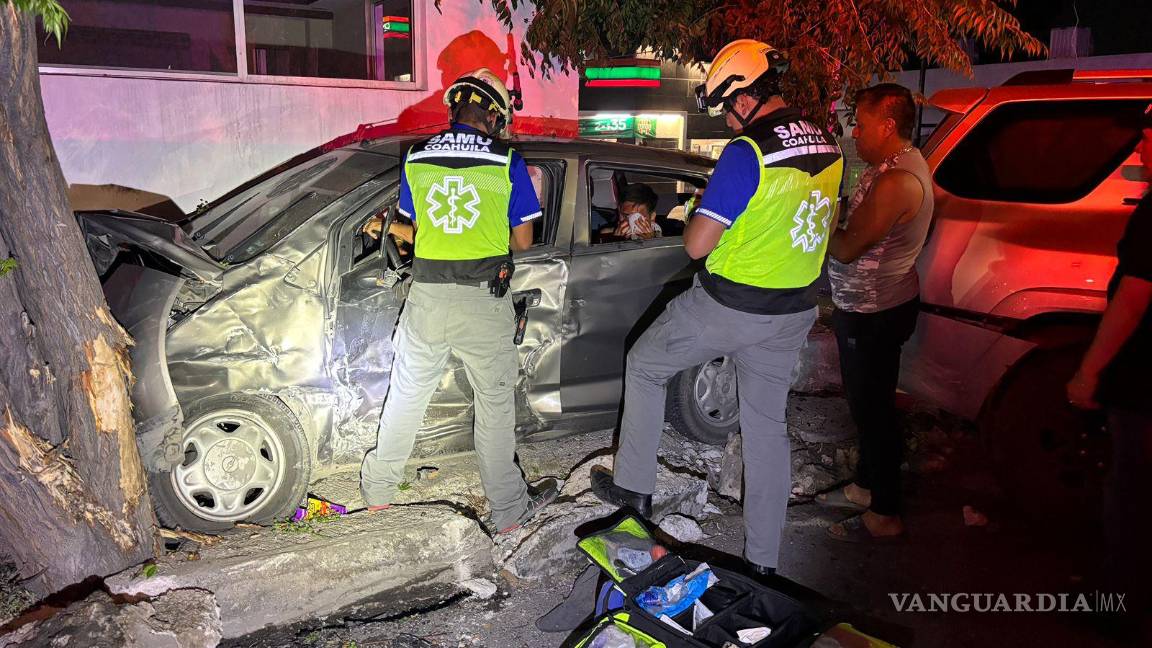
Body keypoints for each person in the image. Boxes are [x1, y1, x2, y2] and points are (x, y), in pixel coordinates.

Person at [590, 40, 844, 576]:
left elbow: (696, 245)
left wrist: (699, 211)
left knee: (645, 364)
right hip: (793, 311)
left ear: (745, 97)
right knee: (766, 430)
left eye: (727, 108)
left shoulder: (748, 151)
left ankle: (633, 494)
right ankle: (763, 564)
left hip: (729, 305)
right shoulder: (828, 143)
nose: (727, 120)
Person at [359, 68, 557, 533]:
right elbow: (523, 241)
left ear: (454, 109)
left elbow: (416, 228)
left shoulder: (416, 156)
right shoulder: (506, 160)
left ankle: (378, 494)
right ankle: (508, 510)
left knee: (406, 396)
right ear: (494, 115)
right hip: (482, 302)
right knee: (493, 406)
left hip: (426, 298)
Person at [816, 84, 933, 543]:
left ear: (887, 126)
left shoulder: (896, 181)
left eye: (861, 126)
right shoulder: (895, 167)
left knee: (873, 411)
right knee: (869, 403)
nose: (855, 134)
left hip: (874, 311)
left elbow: (846, 248)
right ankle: (866, 487)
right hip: (877, 304)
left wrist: (820, 215)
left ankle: (885, 512)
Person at [1067, 110, 1152, 630]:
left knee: (1132, 495)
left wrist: (1089, 372)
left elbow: (1135, 296)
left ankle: (1120, 607)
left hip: (1143, 382)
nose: (1140, 147)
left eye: (1148, 136)